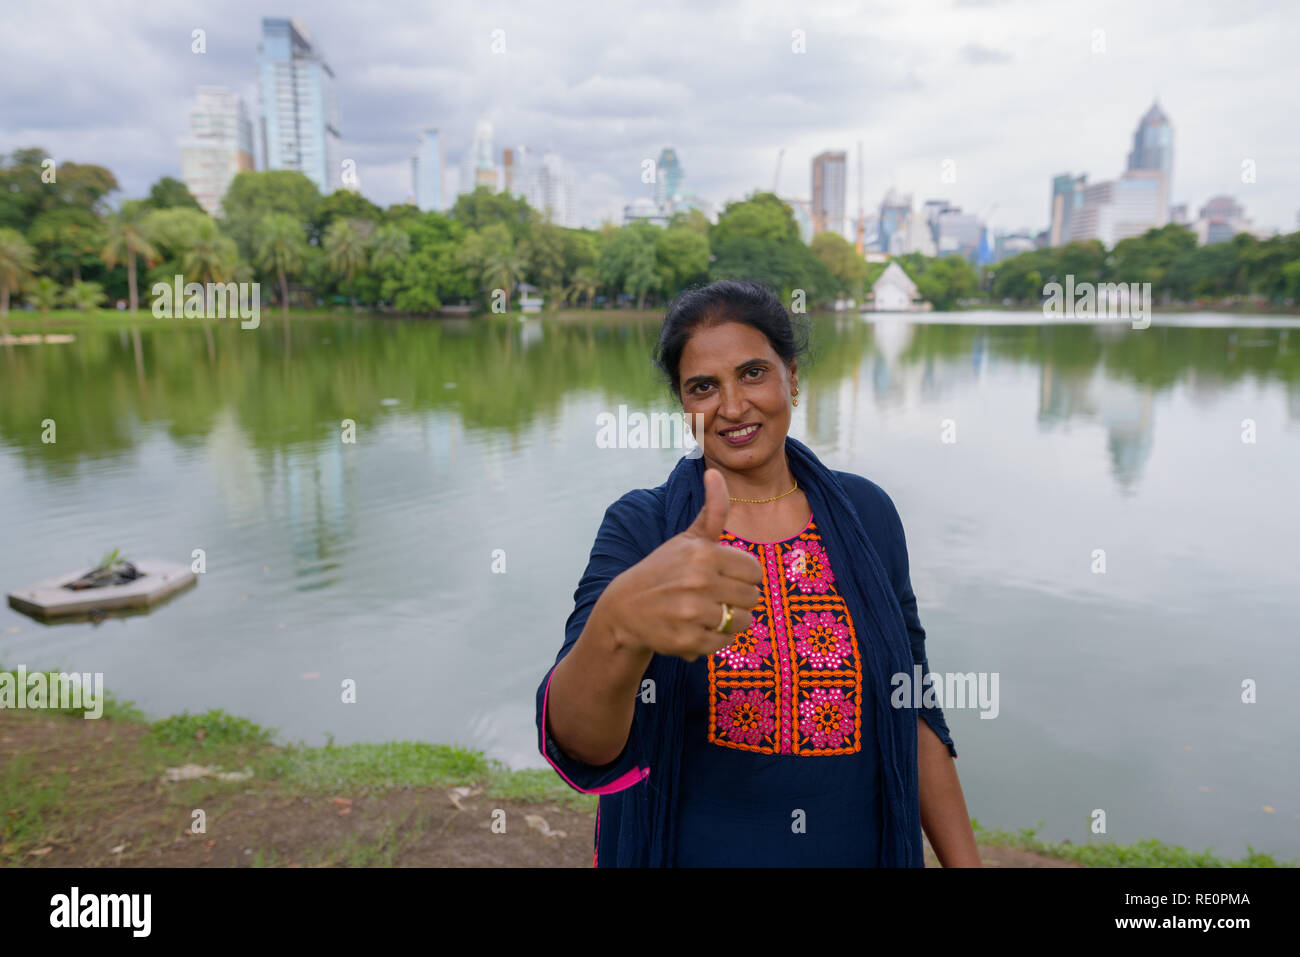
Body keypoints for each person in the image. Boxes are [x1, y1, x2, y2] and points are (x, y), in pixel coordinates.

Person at [535, 279, 979, 867]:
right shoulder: (643, 530)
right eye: (703, 387)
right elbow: (582, 742)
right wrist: (620, 624)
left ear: (791, 376)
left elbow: (914, 707)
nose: (734, 406)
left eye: (752, 373)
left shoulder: (866, 514)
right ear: (683, 405)